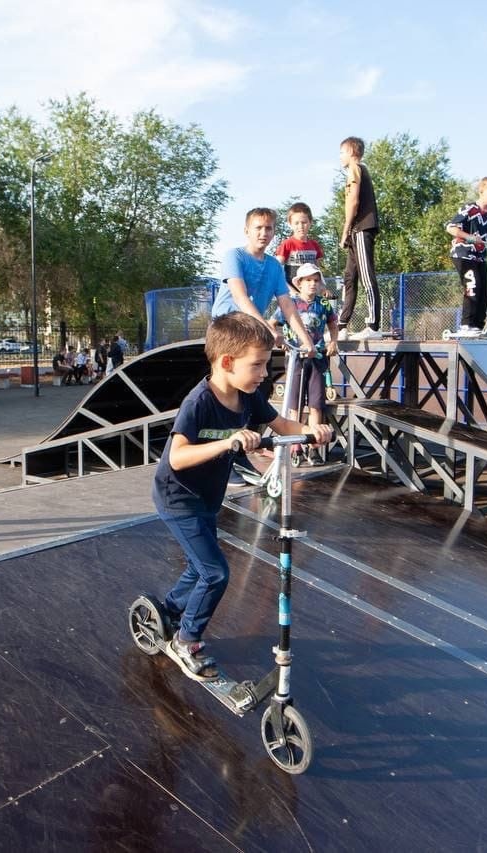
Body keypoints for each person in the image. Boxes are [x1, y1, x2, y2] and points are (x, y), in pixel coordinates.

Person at [151, 312, 333, 679]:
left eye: (266, 364)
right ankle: (186, 639)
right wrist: (229, 442)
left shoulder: (249, 397)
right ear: (227, 362)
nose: (265, 373)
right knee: (215, 573)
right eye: (258, 365)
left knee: (199, 566)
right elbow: (177, 457)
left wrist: (312, 430)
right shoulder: (200, 402)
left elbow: (282, 424)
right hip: (178, 497)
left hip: (207, 497)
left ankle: (169, 610)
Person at [211, 207, 314, 349]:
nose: (263, 233)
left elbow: (287, 304)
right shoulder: (234, 256)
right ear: (246, 231)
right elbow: (240, 296)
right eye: (258, 228)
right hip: (226, 326)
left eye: (268, 228)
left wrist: (306, 341)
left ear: (273, 233)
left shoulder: (275, 266)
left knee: (263, 362)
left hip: (252, 328)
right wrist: (267, 327)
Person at [267, 263, 339, 464]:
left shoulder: (323, 304)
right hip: (295, 359)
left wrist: (333, 341)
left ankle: (313, 446)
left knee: (316, 405)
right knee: (294, 406)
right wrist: (280, 339)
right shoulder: (290, 304)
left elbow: (333, 324)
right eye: (308, 280)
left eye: (316, 280)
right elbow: (272, 324)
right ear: (299, 283)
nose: (312, 284)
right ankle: (295, 446)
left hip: (317, 358)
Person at [445, 177, 487, 336]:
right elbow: (451, 228)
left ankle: (477, 325)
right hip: (463, 254)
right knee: (473, 285)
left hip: (480, 256)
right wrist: (469, 237)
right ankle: (466, 325)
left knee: (486, 290)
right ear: (482, 191)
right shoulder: (470, 209)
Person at [337, 137, 383, 341]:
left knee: (366, 275)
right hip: (356, 231)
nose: (340, 157)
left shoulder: (355, 169)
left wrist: (345, 229)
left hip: (362, 228)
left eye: (341, 153)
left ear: (350, 152)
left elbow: (353, 201)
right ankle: (342, 325)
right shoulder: (356, 170)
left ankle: (373, 326)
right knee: (350, 277)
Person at [275, 202, 324, 288]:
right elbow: (276, 269)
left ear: (310, 222)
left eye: (304, 222)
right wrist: (287, 288)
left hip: (310, 290)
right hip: (292, 291)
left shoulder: (314, 245)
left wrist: (322, 288)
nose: (300, 226)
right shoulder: (287, 244)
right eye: (296, 223)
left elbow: (318, 272)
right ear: (290, 224)